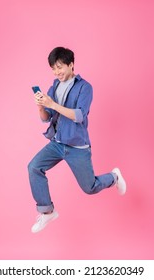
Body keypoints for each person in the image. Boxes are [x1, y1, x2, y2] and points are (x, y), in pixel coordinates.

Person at [28, 47, 126, 233]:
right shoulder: (54, 86)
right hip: (57, 143)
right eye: (53, 69)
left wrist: (53, 104)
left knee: (90, 188)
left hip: (77, 147)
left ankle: (114, 177)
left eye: (60, 67)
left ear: (71, 64)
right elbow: (46, 117)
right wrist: (41, 106)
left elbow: (79, 115)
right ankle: (47, 211)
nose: (57, 72)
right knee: (33, 167)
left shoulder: (85, 87)